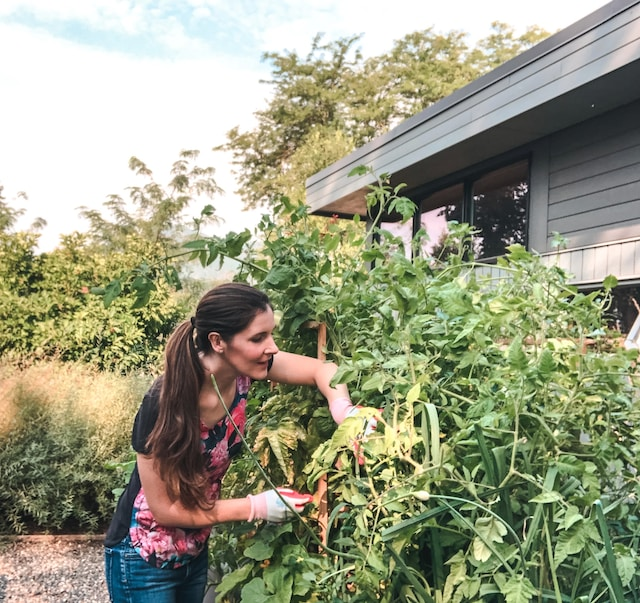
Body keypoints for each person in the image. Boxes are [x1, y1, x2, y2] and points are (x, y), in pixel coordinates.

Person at [103, 282, 363, 603]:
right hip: (144, 553)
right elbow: (166, 510)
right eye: (258, 338)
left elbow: (325, 370)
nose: (272, 347)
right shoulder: (166, 401)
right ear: (218, 342)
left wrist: (344, 409)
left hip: (193, 548)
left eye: (270, 334)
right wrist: (255, 506)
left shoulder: (246, 371)